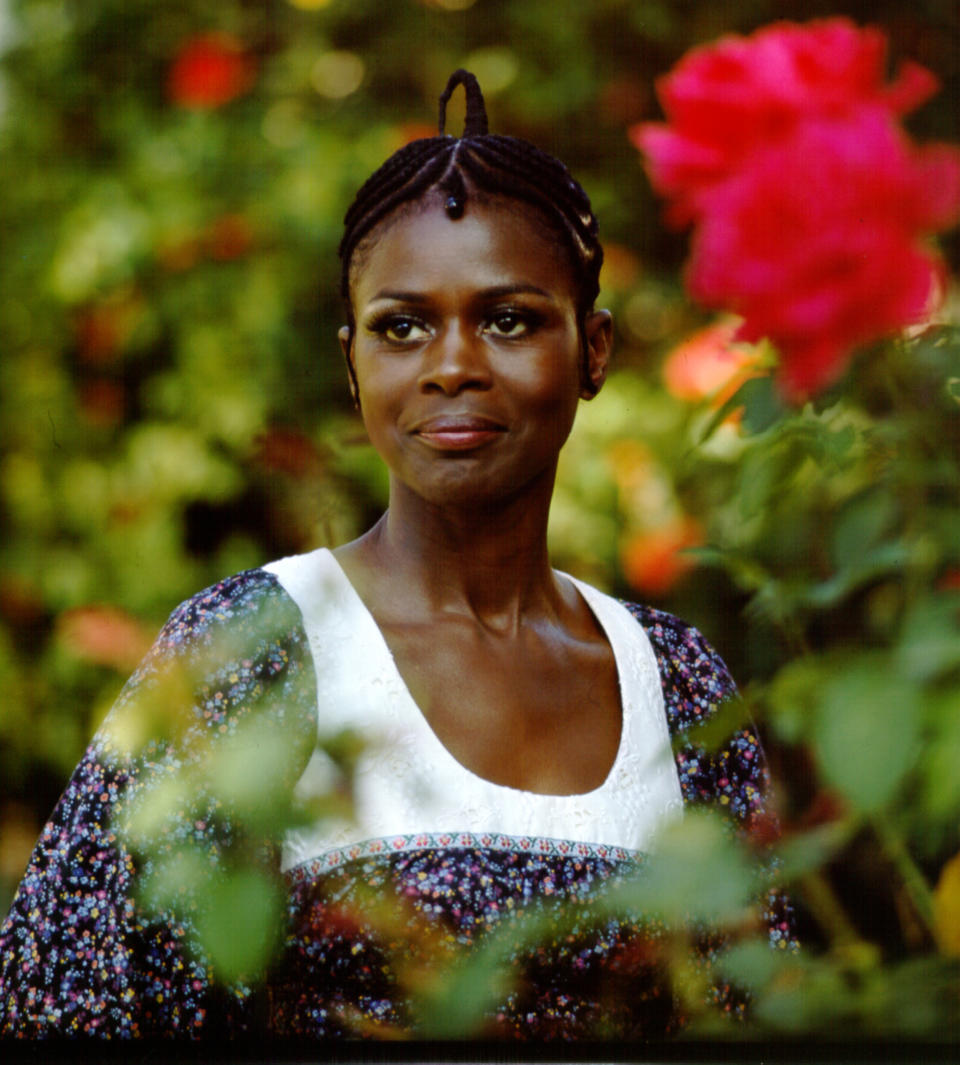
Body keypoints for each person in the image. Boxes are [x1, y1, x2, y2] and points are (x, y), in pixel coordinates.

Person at [0, 70, 793, 1041]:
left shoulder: (676, 679)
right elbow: (70, 999)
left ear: (593, 350)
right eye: (402, 327)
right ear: (352, 366)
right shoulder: (260, 647)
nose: (451, 364)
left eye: (508, 320)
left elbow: (769, 1009)